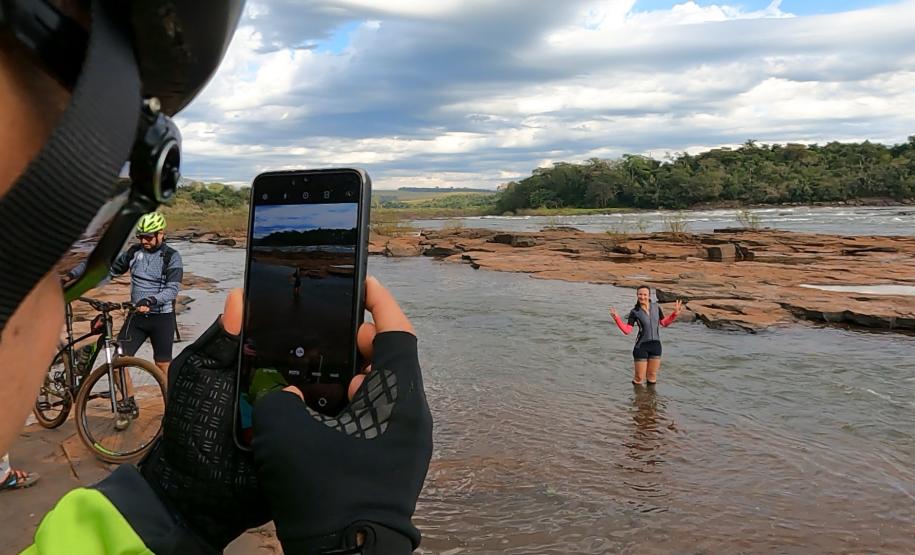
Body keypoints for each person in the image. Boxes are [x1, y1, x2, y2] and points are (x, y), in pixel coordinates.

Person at [0, 2, 432, 554]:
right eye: (76, 238)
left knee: (168, 360)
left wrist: (177, 504)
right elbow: (129, 269)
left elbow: (165, 281)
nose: (60, 305)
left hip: (156, 320)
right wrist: (359, 538)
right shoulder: (138, 258)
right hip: (144, 316)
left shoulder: (174, 257)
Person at [109, 211, 182, 377]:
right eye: (140, 237)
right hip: (136, 317)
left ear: (160, 234)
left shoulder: (171, 256)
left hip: (162, 318)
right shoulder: (134, 252)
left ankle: (170, 401)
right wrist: (75, 276)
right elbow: (109, 270)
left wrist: (150, 300)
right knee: (117, 362)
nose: (143, 241)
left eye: (148, 237)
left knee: (162, 365)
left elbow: (172, 290)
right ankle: (128, 402)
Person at [609, 285, 683, 385]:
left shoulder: (656, 307)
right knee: (639, 378)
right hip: (641, 347)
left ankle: (651, 400)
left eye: (645, 294)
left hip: (656, 346)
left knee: (652, 376)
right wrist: (617, 318)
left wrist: (674, 314)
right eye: (640, 294)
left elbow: (664, 323)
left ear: (649, 296)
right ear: (637, 295)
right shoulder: (635, 312)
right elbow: (627, 330)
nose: (642, 297)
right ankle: (637, 400)